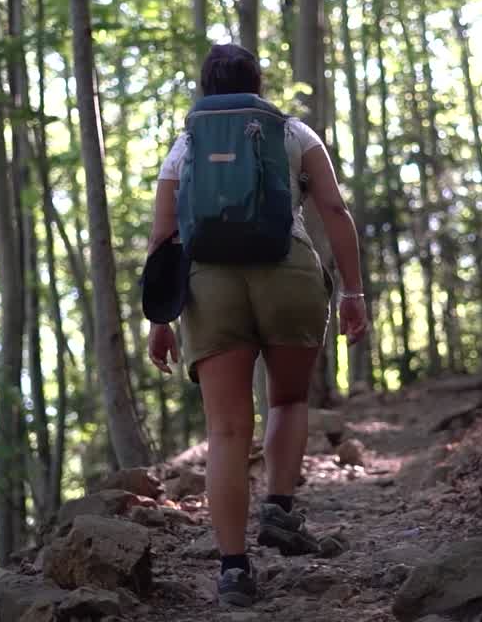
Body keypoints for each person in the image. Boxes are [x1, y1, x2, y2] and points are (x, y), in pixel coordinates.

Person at [145, 43, 367, 607]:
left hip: (207, 284)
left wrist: (160, 317)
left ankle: (234, 570)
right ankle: (279, 509)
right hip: (287, 271)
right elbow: (335, 212)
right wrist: (353, 291)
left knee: (225, 431)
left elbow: (164, 237)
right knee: (288, 401)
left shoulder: (187, 143)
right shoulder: (292, 133)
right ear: (257, 83)